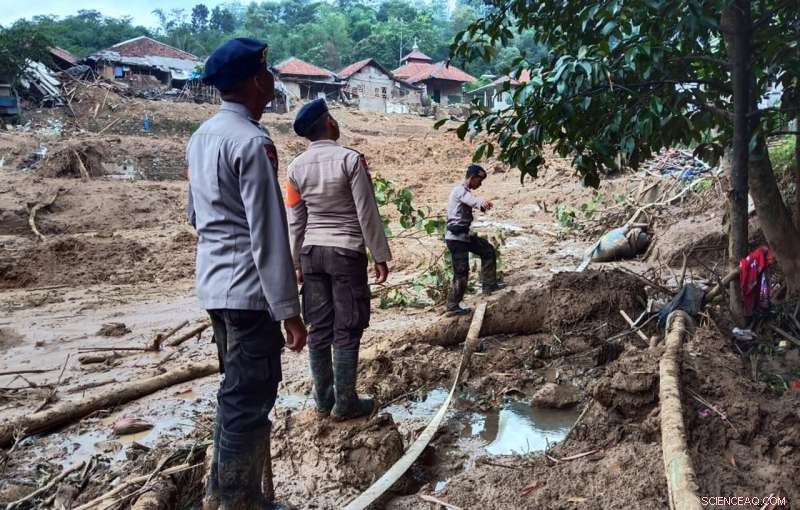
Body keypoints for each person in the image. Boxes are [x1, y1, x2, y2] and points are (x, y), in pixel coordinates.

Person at [186, 38, 306, 510]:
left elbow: (195, 214)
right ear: (258, 81)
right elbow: (268, 232)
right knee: (249, 398)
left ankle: (227, 493)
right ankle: (237, 500)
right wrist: (289, 311)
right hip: (250, 294)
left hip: (214, 287)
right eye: (269, 72)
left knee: (234, 393)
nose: (273, 79)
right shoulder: (253, 142)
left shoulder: (201, 137)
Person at [285, 99, 391, 421]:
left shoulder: (294, 169)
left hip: (312, 254)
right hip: (346, 252)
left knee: (319, 327)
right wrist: (380, 255)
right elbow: (366, 211)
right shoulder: (351, 160)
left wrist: (295, 265)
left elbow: (296, 220)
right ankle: (345, 403)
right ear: (329, 122)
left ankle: (323, 400)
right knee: (347, 326)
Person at [445, 164, 505, 315]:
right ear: (472, 178)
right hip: (456, 238)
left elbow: (470, 201)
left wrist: (482, 206)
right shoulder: (460, 190)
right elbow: (471, 200)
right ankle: (452, 305)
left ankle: (489, 285)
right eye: (479, 180)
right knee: (461, 272)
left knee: (487, 250)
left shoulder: (464, 191)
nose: (480, 184)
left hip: (463, 236)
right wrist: (481, 203)